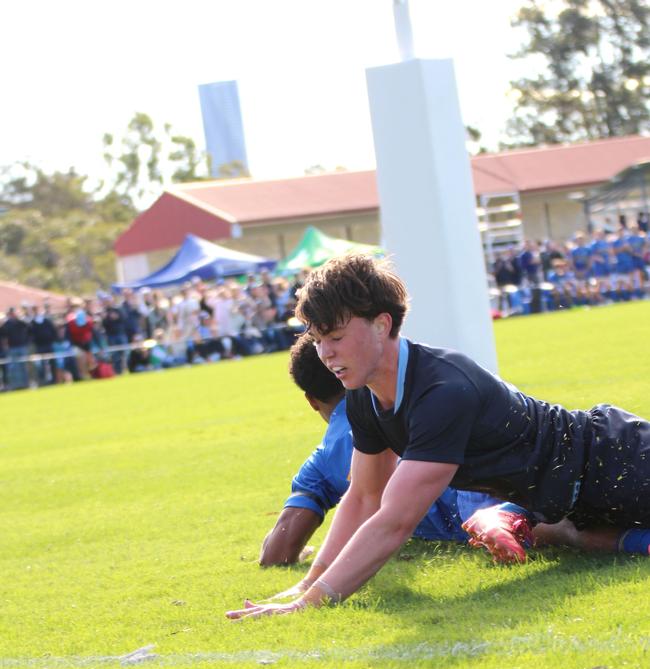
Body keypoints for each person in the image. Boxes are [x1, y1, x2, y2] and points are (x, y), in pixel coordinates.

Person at [227, 254, 650, 620]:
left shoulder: (442, 390)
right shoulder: (362, 397)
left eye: (335, 338)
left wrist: (314, 601)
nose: (326, 354)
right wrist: (308, 584)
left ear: (381, 324)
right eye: (318, 341)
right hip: (578, 501)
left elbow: (394, 520)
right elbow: (363, 497)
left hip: (618, 461)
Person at [260, 334, 497, 566]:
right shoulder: (416, 399)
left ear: (311, 401)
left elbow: (277, 552)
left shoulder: (321, 463)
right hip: (492, 496)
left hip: (472, 523)